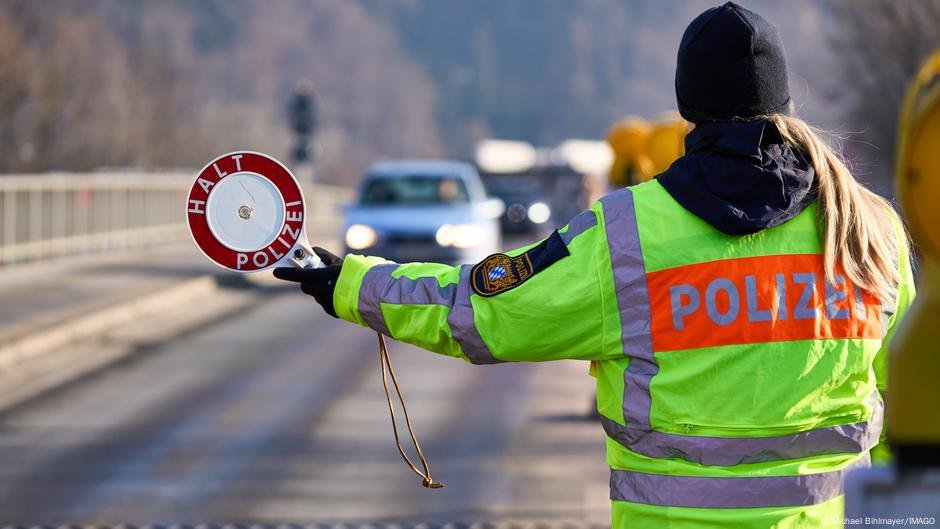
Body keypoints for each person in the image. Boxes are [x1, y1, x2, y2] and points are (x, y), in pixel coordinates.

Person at [274, 3, 915, 527]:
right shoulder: (868, 229)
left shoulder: (629, 234)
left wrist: (348, 283)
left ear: (687, 104)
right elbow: (910, 403)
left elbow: (483, 313)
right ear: (783, 99)